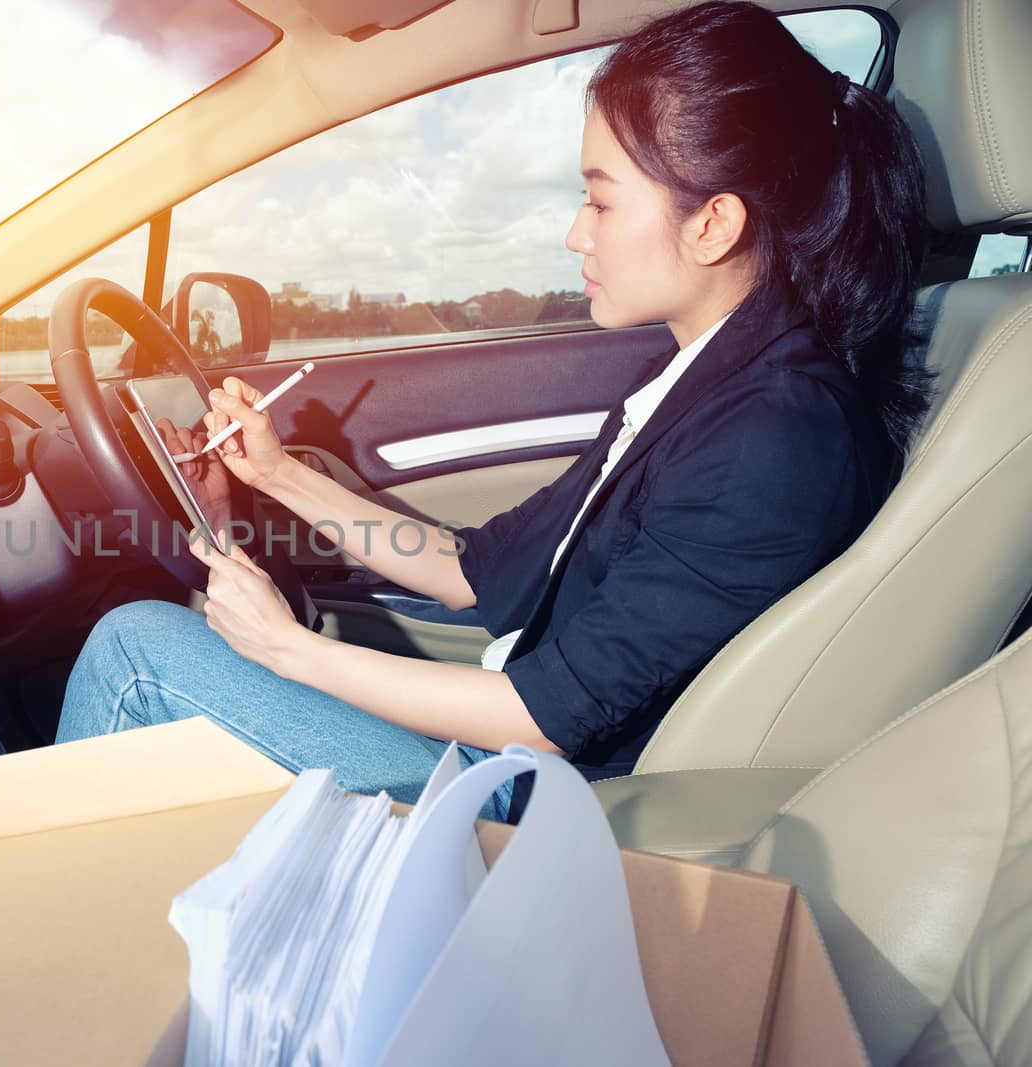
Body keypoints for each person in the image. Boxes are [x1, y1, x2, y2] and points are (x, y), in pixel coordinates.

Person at [55, 0, 932, 822]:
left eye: (601, 199)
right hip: (511, 749)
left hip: (538, 803)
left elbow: (546, 715)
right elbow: (479, 568)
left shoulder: (770, 439)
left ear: (712, 225)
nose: (575, 234)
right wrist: (275, 475)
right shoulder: (705, 382)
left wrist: (291, 651)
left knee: (136, 651)